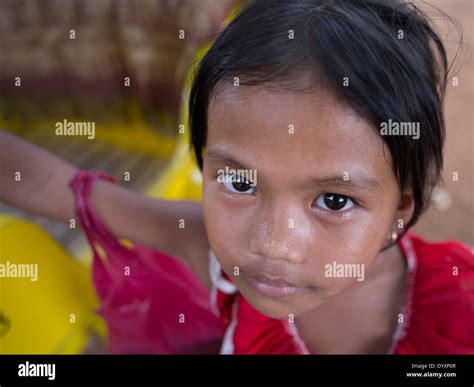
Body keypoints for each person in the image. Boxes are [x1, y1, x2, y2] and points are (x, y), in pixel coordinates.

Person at [1, 0, 473, 354]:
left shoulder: (461, 310)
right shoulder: (207, 246)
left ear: (400, 211)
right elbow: (49, 184)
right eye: (241, 184)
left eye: (333, 200)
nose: (273, 244)